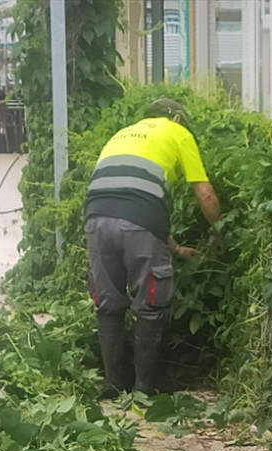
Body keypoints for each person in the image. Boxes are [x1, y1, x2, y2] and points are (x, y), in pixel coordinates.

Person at [84, 98, 221, 396]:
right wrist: (220, 233)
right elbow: (204, 192)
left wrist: (174, 248)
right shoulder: (177, 132)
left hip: (96, 217)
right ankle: (145, 388)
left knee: (108, 302)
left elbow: (128, 197)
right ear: (176, 118)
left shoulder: (122, 135)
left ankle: (112, 384)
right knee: (151, 303)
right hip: (140, 219)